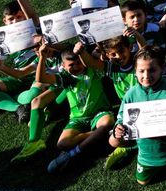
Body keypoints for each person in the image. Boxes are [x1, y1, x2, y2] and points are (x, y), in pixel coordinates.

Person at [109, 46, 166, 186]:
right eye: (141, 71)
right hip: (148, 154)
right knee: (142, 181)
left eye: (152, 70)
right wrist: (118, 127)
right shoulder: (130, 95)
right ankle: (133, 148)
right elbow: (121, 117)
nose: (146, 76)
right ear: (135, 71)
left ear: (162, 68)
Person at [35, 42, 115, 174]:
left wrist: (97, 45)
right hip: (78, 119)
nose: (77, 67)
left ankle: (73, 153)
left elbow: (102, 58)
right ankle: (100, 134)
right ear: (63, 66)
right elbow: (40, 78)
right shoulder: (65, 78)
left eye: (79, 62)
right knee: (62, 144)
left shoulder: (92, 70)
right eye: (71, 65)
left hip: (99, 113)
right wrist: (42, 57)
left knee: (106, 122)